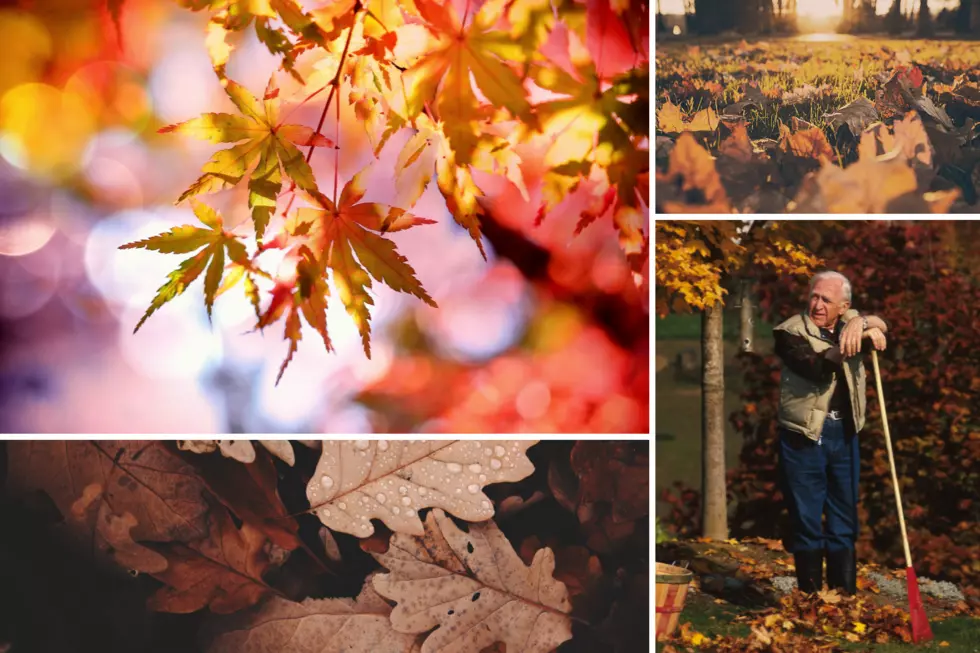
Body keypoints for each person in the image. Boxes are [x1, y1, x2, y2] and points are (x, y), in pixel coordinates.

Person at [773, 270, 888, 595]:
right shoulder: (789, 332)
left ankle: (844, 597)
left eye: (826, 299)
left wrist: (861, 322)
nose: (817, 304)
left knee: (844, 518)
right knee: (807, 521)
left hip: (845, 433)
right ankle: (810, 599)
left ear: (843, 306)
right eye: (814, 296)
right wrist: (854, 332)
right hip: (804, 437)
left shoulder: (850, 324)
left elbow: (883, 325)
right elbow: (816, 368)